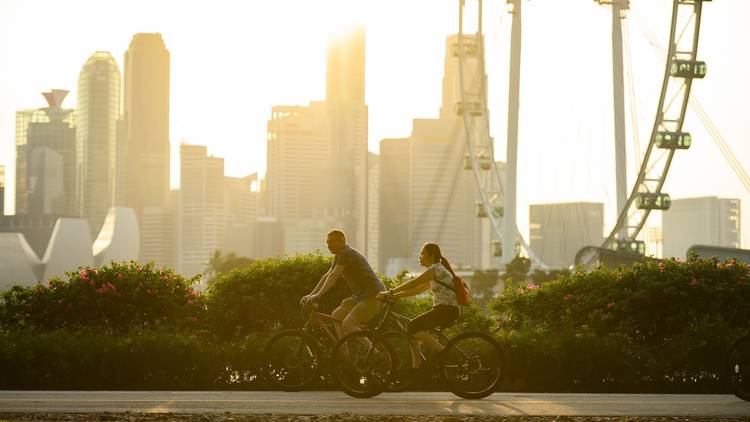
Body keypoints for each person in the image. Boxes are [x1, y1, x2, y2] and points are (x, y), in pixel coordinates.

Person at [376, 242, 459, 370]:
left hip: (445, 310)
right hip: (445, 309)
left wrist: (390, 292)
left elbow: (414, 283)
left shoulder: (434, 269)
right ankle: (416, 366)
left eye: (422, 253)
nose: (420, 257)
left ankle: (442, 350)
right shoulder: (436, 270)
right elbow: (418, 289)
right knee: (412, 330)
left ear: (431, 256)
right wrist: (395, 296)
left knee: (412, 326)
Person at [301, 229, 386, 338]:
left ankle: (373, 353)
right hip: (361, 296)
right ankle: (343, 352)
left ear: (342, 242)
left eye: (332, 242)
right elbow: (327, 275)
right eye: (327, 242)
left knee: (348, 324)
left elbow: (334, 276)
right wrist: (311, 294)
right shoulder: (340, 255)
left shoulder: (346, 253)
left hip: (374, 295)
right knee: (337, 316)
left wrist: (318, 295)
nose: (329, 245)